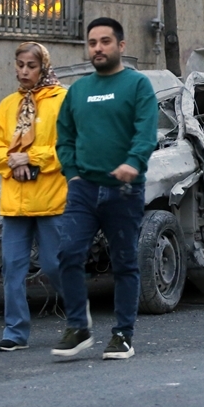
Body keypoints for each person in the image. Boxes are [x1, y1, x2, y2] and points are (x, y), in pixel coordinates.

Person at [52, 18, 157, 360]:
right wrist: (71, 172)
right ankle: (78, 327)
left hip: (123, 191)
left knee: (125, 262)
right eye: (93, 42)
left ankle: (123, 335)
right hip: (84, 189)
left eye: (105, 42)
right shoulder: (78, 91)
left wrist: (133, 162)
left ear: (121, 46)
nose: (98, 48)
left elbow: (146, 131)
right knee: (68, 254)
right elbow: (64, 136)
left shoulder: (138, 85)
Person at [0, 42, 66, 351]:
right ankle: (15, 333)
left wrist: (32, 158)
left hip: (51, 199)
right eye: (19, 64)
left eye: (30, 66)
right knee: (12, 268)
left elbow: (68, 145)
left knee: (55, 265)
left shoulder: (62, 101)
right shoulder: (8, 105)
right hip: (15, 201)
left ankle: (78, 321)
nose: (23, 71)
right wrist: (12, 163)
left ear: (43, 67)